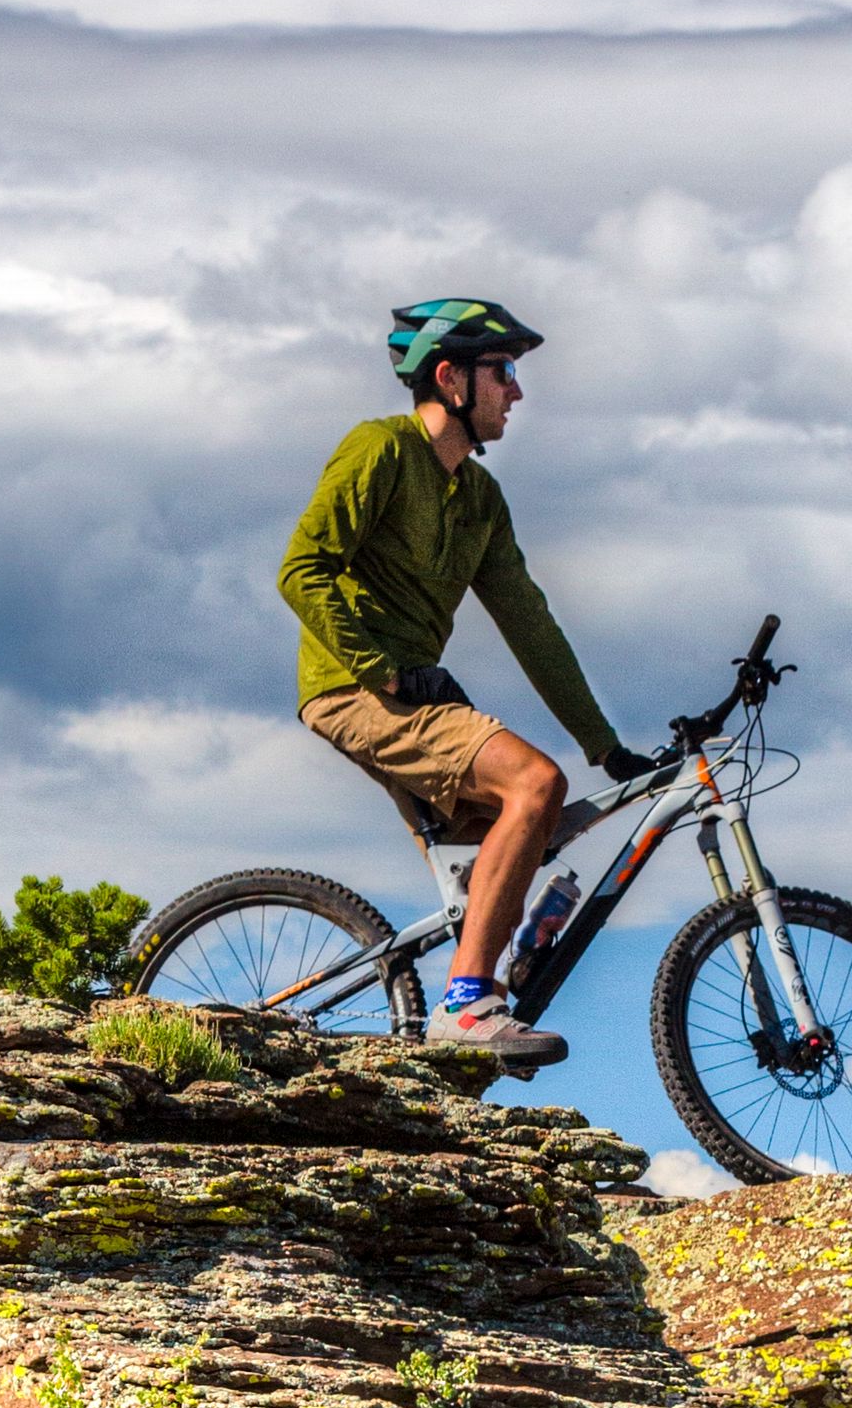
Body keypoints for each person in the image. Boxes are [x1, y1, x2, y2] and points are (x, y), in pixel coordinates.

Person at [278, 299, 655, 1067]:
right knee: (533, 783)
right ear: (450, 379)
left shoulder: (478, 499)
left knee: (523, 834)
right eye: (503, 372)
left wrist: (604, 745)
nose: (516, 391)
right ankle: (466, 1003)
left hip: (413, 695)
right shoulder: (380, 449)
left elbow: (530, 622)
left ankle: (476, 995)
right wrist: (381, 664)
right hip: (356, 688)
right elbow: (301, 571)